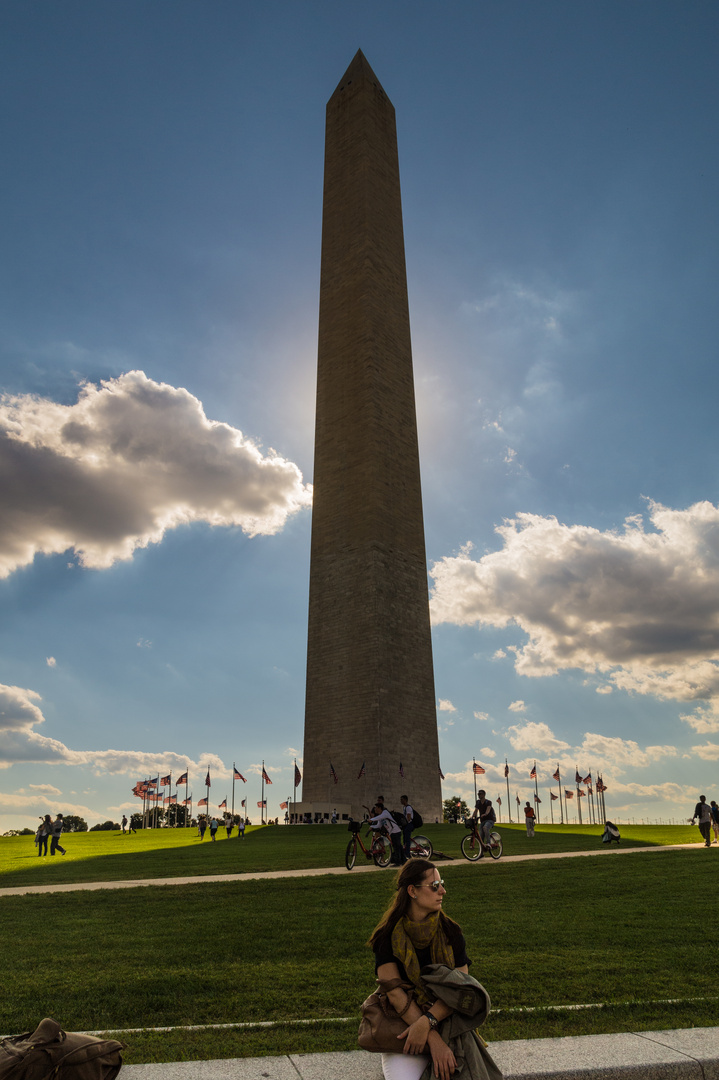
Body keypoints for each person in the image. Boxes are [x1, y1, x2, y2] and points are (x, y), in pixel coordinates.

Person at [368, 859, 497, 1080]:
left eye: (442, 883)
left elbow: (461, 990)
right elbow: (394, 993)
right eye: (435, 885)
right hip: (403, 1028)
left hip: (449, 1024)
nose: (443, 891)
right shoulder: (386, 937)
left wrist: (427, 1023)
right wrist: (432, 1039)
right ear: (412, 891)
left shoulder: (451, 932)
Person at [400, 795, 416, 860]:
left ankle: (408, 855)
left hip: (409, 824)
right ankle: (405, 853)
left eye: (402, 799)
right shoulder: (404, 807)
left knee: (407, 839)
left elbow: (408, 818)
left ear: (405, 800)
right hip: (406, 825)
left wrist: (404, 823)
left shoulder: (408, 808)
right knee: (404, 839)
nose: (401, 801)